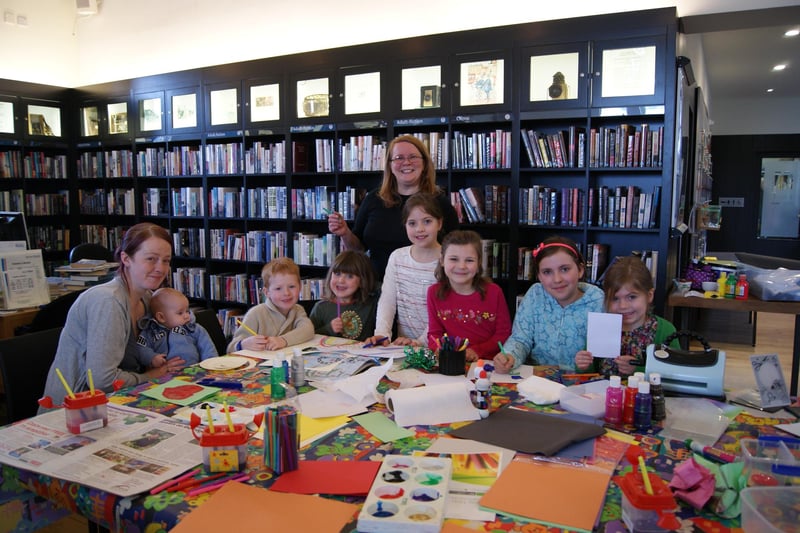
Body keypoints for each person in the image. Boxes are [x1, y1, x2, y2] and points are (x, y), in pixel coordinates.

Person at [40, 223, 179, 410]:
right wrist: (153, 375)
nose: (160, 268)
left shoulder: (146, 298)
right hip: (75, 409)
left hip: (119, 400)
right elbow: (102, 381)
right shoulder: (108, 302)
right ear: (126, 258)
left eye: (166, 260)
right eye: (151, 259)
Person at [327, 135, 459, 278]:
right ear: (389, 165)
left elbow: (454, 251)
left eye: (413, 157)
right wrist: (344, 232)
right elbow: (358, 249)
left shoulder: (439, 202)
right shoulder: (373, 199)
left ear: (425, 163)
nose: (406, 162)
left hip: (425, 285)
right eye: (399, 158)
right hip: (376, 287)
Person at [494, 236, 604, 374]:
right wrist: (510, 356)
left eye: (564, 269)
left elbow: (604, 355)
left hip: (583, 383)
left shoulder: (598, 302)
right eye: (547, 272)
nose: (557, 279)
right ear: (539, 276)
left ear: (580, 270)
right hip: (537, 379)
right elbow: (521, 339)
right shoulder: (535, 295)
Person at [575, 256, 677, 377]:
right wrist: (583, 364)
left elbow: (674, 373)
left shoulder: (665, 330)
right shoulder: (602, 327)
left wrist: (638, 369)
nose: (623, 306)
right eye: (615, 298)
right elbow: (588, 374)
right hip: (604, 394)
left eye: (632, 297)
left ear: (649, 295)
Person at [365, 193, 443, 347]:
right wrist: (382, 333)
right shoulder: (397, 257)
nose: (419, 229)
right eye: (412, 223)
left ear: (439, 223)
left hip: (437, 346)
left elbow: (443, 312)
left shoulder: (448, 261)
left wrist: (420, 342)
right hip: (404, 347)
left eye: (427, 221)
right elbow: (387, 300)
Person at [427, 230, 511, 362]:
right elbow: (434, 334)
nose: (461, 266)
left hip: (487, 363)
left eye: (469, 260)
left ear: (478, 264)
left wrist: (476, 351)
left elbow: (503, 334)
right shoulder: (434, 292)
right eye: (454, 259)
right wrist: (438, 348)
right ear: (442, 260)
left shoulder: (494, 292)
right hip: (450, 361)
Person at [227, 257, 314, 352]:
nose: (286, 293)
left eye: (292, 286)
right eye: (278, 288)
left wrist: (283, 340)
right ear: (267, 292)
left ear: (300, 287)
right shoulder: (256, 313)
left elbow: (308, 329)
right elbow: (230, 349)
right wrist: (242, 345)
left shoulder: (297, 310)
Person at [134, 287, 218, 368]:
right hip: (164, 374)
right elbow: (140, 347)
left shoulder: (194, 329)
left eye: (187, 311)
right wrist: (151, 358)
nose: (186, 316)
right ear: (161, 317)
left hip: (193, 370)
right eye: (180, 313)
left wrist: (211, 364)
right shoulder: (151, 331)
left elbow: (207, 347)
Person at [309, 250, 378, 341]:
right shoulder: (321, 308)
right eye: (337, 274)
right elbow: (309, 337)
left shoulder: (370, 305)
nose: (341, 280)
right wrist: (329, 329)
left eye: (350, 276)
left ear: (362, 280)